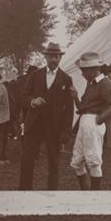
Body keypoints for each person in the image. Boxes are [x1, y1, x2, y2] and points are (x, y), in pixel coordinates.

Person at [19, 43, 75, 190]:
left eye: (56, 56)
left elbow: (69, 109)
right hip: (34, 124)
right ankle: (24, 191)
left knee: (54, 162)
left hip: (54, 127)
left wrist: (66, 131)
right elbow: (23, 97)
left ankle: (52, 194)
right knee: (27, 160)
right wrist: (33, 101)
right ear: (45, 57)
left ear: (60, 57)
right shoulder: (35, 75)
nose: (54, 59)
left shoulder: (66, 79)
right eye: (51, 56)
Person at [69, 52, 111, 190]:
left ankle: (95, 196)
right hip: (85, 122)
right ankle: (86, 193)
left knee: (94, 162)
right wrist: (75, 97)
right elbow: (82, 107)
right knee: (76, 163)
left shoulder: (105, 84)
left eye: (84, 71)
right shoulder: (91, 83)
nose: (82, 74)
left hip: (93, 122)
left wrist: (101, 117)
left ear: (93, 69)